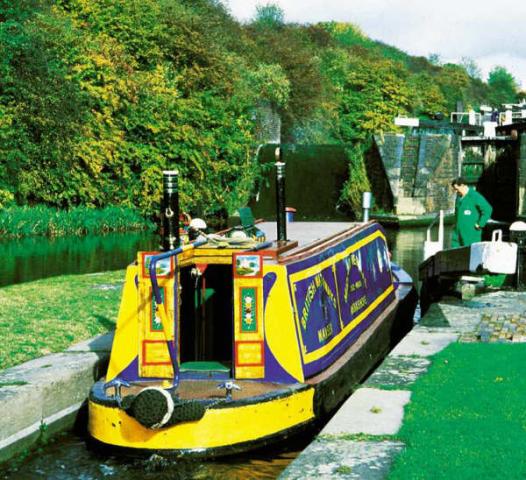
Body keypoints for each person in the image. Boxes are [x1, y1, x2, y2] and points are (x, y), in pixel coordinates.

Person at [451, 177, 492, 247]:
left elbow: (488, 209)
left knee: (469, 253)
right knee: (455, 253)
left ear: (462, 186)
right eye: (455, 189)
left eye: (457, 189)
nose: (456, 192)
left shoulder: (475, 196)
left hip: (470, 233)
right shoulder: (459, 198)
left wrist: (480, 224)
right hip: (457, 233)